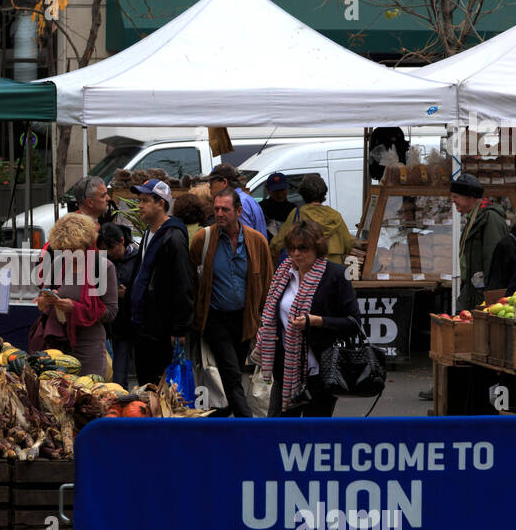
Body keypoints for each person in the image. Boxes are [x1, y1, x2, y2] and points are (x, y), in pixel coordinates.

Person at [253, 219, 362, 418]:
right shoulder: (284, 273)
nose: (296, 254)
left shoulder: (335, 275)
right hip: (286, 369)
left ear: (317, 248)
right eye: (292, 248)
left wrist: (317, 321)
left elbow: (354, 323)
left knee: (315, 434)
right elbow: (272, 314)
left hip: (322, 369)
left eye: (303, 248)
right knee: (278, 430)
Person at [189, 188, 273, 417]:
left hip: (244, 319)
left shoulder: (256, 242)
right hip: (214, 317)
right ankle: (247, 423)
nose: (219, 214)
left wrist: (266, 321)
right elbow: (192, 282)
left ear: (238, 211)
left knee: (231, 370)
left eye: (225, 209)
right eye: (216, 209)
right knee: (231, 372)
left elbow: (267, 283)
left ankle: (221, 416)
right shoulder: (203, 239)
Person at [33, 213, 117, 378]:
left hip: (89, 347)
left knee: (88, 395)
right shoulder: (58, 265)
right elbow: (46, 295)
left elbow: (111, 312)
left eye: (73, 249)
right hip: (59, 346)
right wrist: (45, 301)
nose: (68, 254)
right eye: (63, 249)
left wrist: (75, 309)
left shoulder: (103, 267)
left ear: (85, 244)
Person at [129, 179, 193, 386]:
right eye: (140, 200)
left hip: (161, 328)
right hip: (142, 324)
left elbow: (183, 283)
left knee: (160, 388)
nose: (140, 205)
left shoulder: (173, 237)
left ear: (161, 203)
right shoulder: (148, 232)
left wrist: (179, 328)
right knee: (145, 384)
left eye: (145, 200)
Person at [448, 173, 509, 309]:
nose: (452, 200)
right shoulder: (474, 218)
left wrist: (488, 295)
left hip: (483, 294)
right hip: (472, 290)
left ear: (469, 197)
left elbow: (494, 259)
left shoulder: (490, 218)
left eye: (456, 196)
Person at [269, 173, 355, 265]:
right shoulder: (335, 215)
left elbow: (278, 242)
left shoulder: (297, 214)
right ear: (323, 193)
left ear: (303, 194)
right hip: (333, 267)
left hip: (307, 267)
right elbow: (348, 244)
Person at [98, 222, 139, 388]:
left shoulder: (138, 257)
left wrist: (127, 293)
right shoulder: (105, 261)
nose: (108, 253)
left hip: (138, 321)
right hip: (119, 325)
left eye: (111, 248)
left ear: (122, 241)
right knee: (119, 374)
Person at [205, 164, 267, 240]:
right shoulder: (245, 199)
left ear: (224, 182)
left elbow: (244, 240)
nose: (209, 187)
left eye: (211, 183)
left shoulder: (238, 202)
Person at [258, 172, 295, 238]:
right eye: (276, 191)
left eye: (282, 190)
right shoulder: (260, 209)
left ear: (287, 188)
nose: (280, 194)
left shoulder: (294, 210)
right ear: (268, 190)